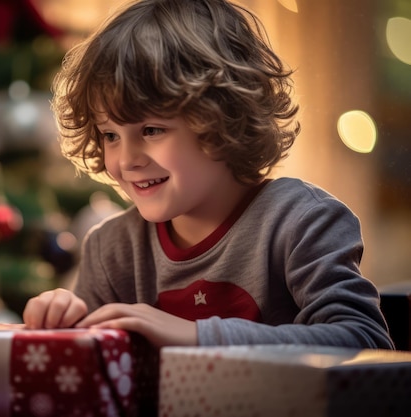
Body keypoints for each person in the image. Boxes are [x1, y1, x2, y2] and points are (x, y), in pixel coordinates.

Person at [23, 0, 394, 350]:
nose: (126, 160)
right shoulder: (111, 249)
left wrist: (197, 335)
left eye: (151, 130)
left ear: (222, 117)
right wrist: (63, 322)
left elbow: (363, 340)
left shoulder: (301, 221)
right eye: (110, 135)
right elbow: (95, 377)